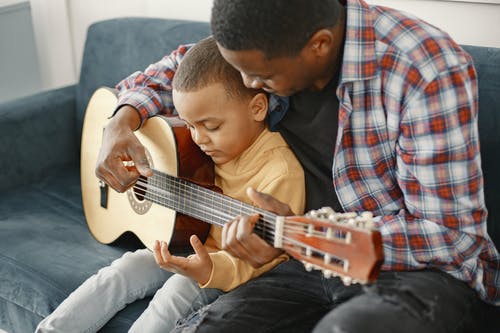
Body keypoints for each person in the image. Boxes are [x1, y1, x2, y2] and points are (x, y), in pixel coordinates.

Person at [95, 1, 500, 333]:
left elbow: (450, 237)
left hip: (412, 273)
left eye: (261, 76)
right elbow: (175, 72)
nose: (247, 84)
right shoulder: (258, 36)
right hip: (295, 266)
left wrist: (302, 236)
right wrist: (121, 120)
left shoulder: (423, 69)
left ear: (318, 45)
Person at [35, 36, 305, 332]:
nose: (198, 139)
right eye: (189, 125)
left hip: (219, 264)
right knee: (123, 270)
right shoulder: (203, 142)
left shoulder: (281, 172)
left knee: (177, 289)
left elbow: (268, 255)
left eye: (211, 126)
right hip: (181, 241)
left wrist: (211, 269)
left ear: (257, 108)